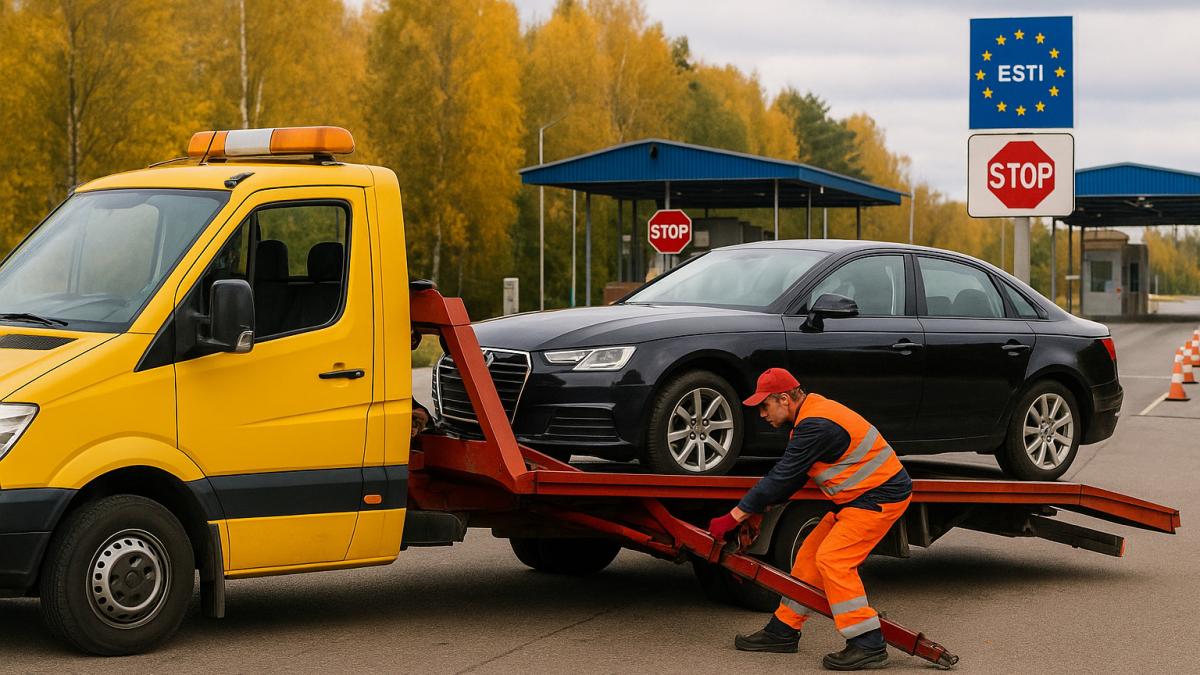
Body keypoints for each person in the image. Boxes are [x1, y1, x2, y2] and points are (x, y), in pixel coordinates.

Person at [707, 367, 912, 671]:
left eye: (765, 405)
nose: (762, 414)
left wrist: (733, 516)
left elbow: (782, 476)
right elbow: (790, 479)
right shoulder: (809, 419)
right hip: (856, 500)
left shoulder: (816, 424)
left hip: (878, 498)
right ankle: (783, 631)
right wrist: (759, 512)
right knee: (808, 558)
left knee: (834, 560)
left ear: (785, 398)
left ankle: (867, 643)